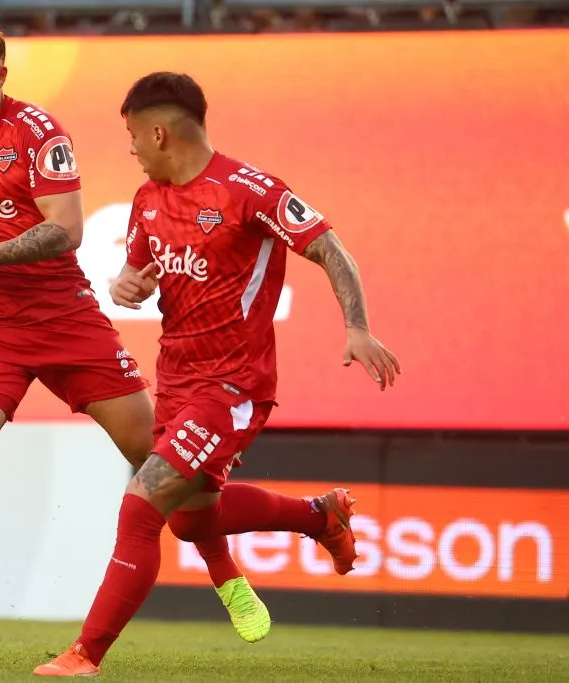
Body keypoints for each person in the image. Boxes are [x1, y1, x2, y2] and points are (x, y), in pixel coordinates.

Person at [0, 16, 359, 644]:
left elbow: (66, 231)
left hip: (67, 320)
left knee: (176, 491)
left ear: (0, 74)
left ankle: (286, 537)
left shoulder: (39, 133)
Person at [33, 72, 401, 677]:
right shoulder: (146, 200)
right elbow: (141, 273)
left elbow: (331, 249)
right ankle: (321, 516)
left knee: (141, 504)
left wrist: (357, 327)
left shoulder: (248, 189)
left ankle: (85, 653)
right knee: (189, 519)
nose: (130, 149)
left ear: (159, 132)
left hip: (233, 386)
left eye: (132, 136)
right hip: (175, 379)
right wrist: (131, 284)